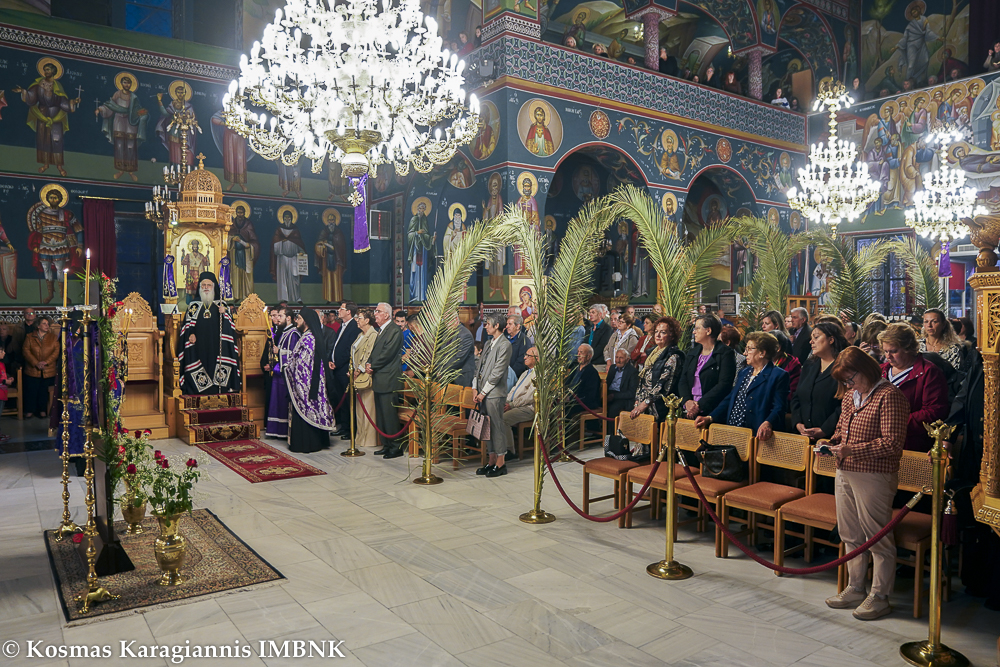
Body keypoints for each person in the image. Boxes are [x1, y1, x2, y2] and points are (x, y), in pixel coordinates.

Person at [820, 347, 908, 621]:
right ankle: (856, 587)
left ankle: (880, 595)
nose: (848, 384)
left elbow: (892, 443)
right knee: (850, 533)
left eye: (851, 378)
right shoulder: (850, 396)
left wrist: (852, 450)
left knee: (876, 537)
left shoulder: (889, 396)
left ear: (866, 369)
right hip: (845, 471)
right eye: (845, 381)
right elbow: (842, 430)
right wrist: (830, 442)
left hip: (874, 475)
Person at [696, 332, 788, 441]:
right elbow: (731, 398)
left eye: (749, 349)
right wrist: (710, 417)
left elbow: (779, 407)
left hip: (757, 435)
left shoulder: (778, 375)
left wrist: (768, 423)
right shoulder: (744, 372)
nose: (745, 353)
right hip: (733, 431)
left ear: (762, 353)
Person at [878, 323, 947, 452]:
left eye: (893, 351)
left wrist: (894, 424)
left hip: (912, 443)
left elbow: (933, 411)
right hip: (880, 444)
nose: (888, 356)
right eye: (885, 351)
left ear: (908, 348)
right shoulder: (880, 371)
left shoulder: (928, 371)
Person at [177, 273, 241, 395]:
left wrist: (225, 314)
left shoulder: (222, 305)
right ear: (200, 287)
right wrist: (191, 334)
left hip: (218, 345)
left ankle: (220, 388)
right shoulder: (193, 305)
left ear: (214, 287)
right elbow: (188, 326)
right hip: (198, 346)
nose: (206, 287)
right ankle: (198, 389)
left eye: (209, 285)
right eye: (203, 285)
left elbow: (231, 329)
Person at [285, 309, 334, 453]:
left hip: (307, 383)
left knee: (306, 409)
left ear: (306, 321)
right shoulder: (309, 336)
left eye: (299, 318)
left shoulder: (308, 338)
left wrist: (288, 367)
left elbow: (303, 364)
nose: (296, 321)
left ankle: (306, 444)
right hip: (314, 382)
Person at [792, 322, 847, 442]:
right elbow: (797, 396)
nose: (811, 342)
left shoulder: (843, 368)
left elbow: (845, 404)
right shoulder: (809, 365)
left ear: (831, 339)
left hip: (831, 437)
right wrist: (798, 422)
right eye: (811, 338)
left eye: (816, 337)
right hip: (803, 435)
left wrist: (825, 429)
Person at [474, 313, 513, 477]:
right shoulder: (489, 343)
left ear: (497, 325)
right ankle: (490, 460)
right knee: (486, 428)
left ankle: (500, 462)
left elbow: (497, 373)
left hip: (494, 393)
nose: (485, 326)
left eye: (488, 323)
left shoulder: (505, 345)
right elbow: (479, 367)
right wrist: (474, 388)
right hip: (482, 391)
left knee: (496, 427)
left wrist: (483, 392)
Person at [679, 315, 736, 419]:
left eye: (697, 328)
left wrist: (699, 405)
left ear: (708, 331)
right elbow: (683, 379)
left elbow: (724, 384)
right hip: (689, 409)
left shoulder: (725, 353)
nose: (694, 332)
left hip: (712, 410)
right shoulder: (693, 353)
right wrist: (687, 401)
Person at [366, 303, 404, 458]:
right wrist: (369, 363)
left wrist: (372, 365)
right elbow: (375, 351)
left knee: (389, 415)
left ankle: (396, 447)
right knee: (381, 415)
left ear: (387, 315)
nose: (375, 314)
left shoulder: (394, 331)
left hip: (389, 378)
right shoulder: (382, 330)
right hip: (379, 378)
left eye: (378, 311)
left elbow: (387, 353)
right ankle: (386, 444)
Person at [631, 316, 684, 421]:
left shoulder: (673, 356)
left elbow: (663, 385)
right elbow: (642, 379)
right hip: (643, 404)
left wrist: (644, 404)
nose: (658, 335)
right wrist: (637, 401)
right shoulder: (652, 353)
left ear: (672, 336)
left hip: (658, 406)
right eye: (656, 332)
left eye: (663, 332)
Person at [264, 307, 299, 440]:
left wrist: (278, 351)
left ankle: (283, 430)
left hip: (286, 375)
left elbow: (294, 355)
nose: (277, 318)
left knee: (282, 403)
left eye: (280, 316)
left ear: (288, 318)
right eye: (276, 316)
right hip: (279, 373)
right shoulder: (284, 332)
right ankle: (276, 430)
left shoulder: (293, 333)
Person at [328, 301, 360, 440]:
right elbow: (336, 346)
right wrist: (330, 359)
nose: (338, 311)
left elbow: (350, 349)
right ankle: (343, 426)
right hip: (337, 368)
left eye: (341, 309)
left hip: (345, 368)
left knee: (347, 400)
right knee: (339, 398)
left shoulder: (354, 327)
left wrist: (337, 363)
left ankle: (349, 429)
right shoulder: (342, 325)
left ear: (349, 312)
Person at [350, 308, 379, 448]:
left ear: (367, 320)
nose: (357, 320)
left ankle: (369, 439)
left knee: (368, 409)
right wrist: (352, 369)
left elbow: (369, 354)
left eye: (359, 318)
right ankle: (360, 437)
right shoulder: (361, 334)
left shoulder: (373, 334)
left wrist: (359, 369)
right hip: (356, 375)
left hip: (365, 376)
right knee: (360, 410)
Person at [22, 316, 57, 419]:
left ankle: (42, 410)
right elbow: (26, 350)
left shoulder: (53, 337)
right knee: (32, 390)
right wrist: (36, 363)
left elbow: (56, 352)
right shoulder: (29, 337)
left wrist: (46, 362)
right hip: (33, 369)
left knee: (43, 390)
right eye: (44, 323)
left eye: (47, 324)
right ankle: (30, 410)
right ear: (38, 325)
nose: (47, 326)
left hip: (48, 369)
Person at [503, 347, 538, 449]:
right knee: (494, 414)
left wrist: (512, 405)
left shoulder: (539, 374)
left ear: (537, 358)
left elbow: (530, 397)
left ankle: (509, 450)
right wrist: (506, 402)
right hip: (516, 405)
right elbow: (514, 390)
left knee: (503, 419)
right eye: (525, 355)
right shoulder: (525, 373)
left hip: (529, 408)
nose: (524, 357)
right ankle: (497, 449)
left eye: (528, 355)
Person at [568, 344, 601, 417]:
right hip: (571, 399)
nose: (578, 355)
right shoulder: (574, 369)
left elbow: (589, 395)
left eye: (581, 352)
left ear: (589, 356)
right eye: (578, 352)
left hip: (583, 402)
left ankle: (565, 428)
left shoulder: (592, 372)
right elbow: (567, 384)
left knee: (566, 408)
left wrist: (571, 398)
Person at [607, 348, 639, 419]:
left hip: (622, 397)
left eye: (621, 358)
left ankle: (612, 430)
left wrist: (614, 396)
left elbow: (631, 393)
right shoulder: (612, 368)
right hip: (609, 394)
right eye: (617, 357)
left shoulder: (632, 372)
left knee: (612, 409)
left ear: (627, 360)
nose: (618, 360)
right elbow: (607, 384)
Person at [446, 316, 476, 387]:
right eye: (445, 322)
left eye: (448, 321)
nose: (446, 324)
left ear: (456, 320)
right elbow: (442, 353)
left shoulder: (465, 334)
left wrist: (443, 370)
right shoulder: (446, 334)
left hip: (461, 377)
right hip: (448, 377)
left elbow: (459, 358)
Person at [585, 305, 612, 371]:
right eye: (590, 313)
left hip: (599, 363)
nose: (590, 315)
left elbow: (602, 346)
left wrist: (589, 357)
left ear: (600, 314)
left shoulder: (607, 329)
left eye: (593, 312)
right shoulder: (589, 328)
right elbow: (585, 342)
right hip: (587, 362)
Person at [506, 315, 530, 379]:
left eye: (510, 324)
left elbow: (521, 362)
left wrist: (510, 375)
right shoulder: (505, 339)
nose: (507, 326)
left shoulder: (524, 341)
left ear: (518, 326)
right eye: (507, 324)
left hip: (514, 377)